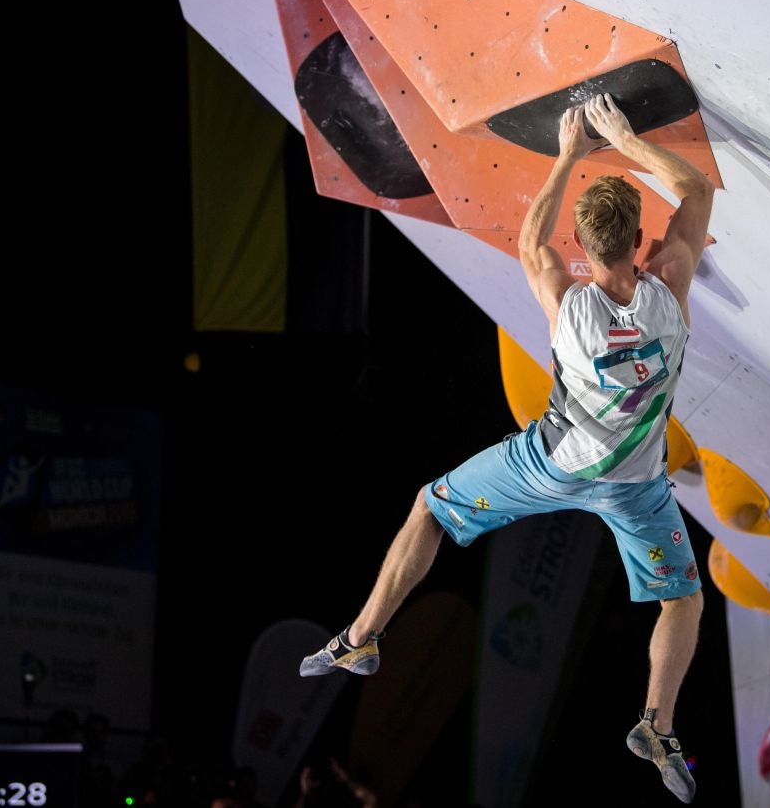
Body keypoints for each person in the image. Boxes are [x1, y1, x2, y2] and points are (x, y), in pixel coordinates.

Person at [299, 93, 716, 803]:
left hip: (552, 467)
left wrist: (569, 154)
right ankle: (657, 722)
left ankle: (363, 637)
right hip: (635, 483)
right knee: (681, 602)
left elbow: (531, 242)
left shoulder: (571, 306)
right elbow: (697, 189)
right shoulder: (670, 290)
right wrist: (625, 138)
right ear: (640, 237)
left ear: (584, 250)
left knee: (429, 507)